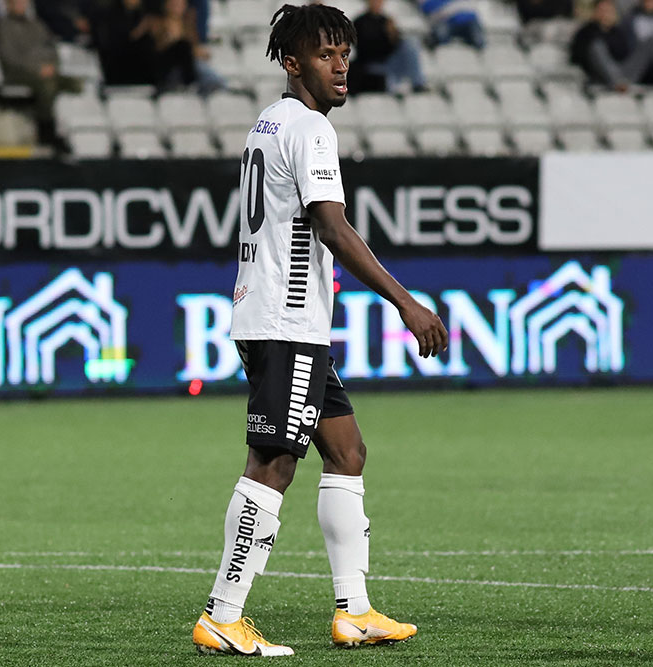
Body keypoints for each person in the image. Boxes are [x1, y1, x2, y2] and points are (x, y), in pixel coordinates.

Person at [191, 3, 448, 657]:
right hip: (286, 321)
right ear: (292, 63)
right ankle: (223, 613)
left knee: (346, 452)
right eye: (325, 54)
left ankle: (354, 610)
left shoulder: (269, 122)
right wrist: (405, 302)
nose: (340, 67)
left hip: (281, 317)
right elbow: (331, 225)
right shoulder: (309, 129)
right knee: (273, 461)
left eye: (345, 55)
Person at [0, 0, 82, 141]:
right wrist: (37, 68)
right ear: (8, 5)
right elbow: (9, 57)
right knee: (48, 86)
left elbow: (53, 49)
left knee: (76, 84)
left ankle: (75, 132)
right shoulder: (3, 27)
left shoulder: (37, 24)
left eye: (24, 2)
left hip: (47, 72)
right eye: (17, 2)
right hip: (17, 74)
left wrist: (52, 66)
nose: (21, 5)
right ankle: (46, 131)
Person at [570, 0, 653, 92]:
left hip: (623, 73)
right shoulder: (586, 32)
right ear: (595, 12)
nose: (606, 14)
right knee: (597, 46)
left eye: (609, 10)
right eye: (603, 10)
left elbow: (627, 54)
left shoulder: (617, 32)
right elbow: (578, 57)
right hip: (600, 75)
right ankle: (617, 82)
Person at [350, 0, 427, 94]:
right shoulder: (360, 22)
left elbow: (394, 45)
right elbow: (363, 49)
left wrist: (393, 35)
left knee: (410, 43)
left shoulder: (386, 20)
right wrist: (383, 36)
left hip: (389, 62)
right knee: (388, 81)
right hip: (371, 65)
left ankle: (417, 83)